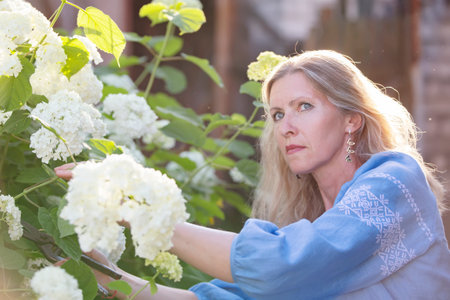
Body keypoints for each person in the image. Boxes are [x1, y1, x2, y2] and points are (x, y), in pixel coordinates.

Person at [55, 50, 450, 299]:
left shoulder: (395, 180)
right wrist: (105, 274)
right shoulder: (316, 225)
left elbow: (281, 264)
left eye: (304, 107)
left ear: (351, 119)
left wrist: (142, 208)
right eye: (278, 114)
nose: (286, 126)